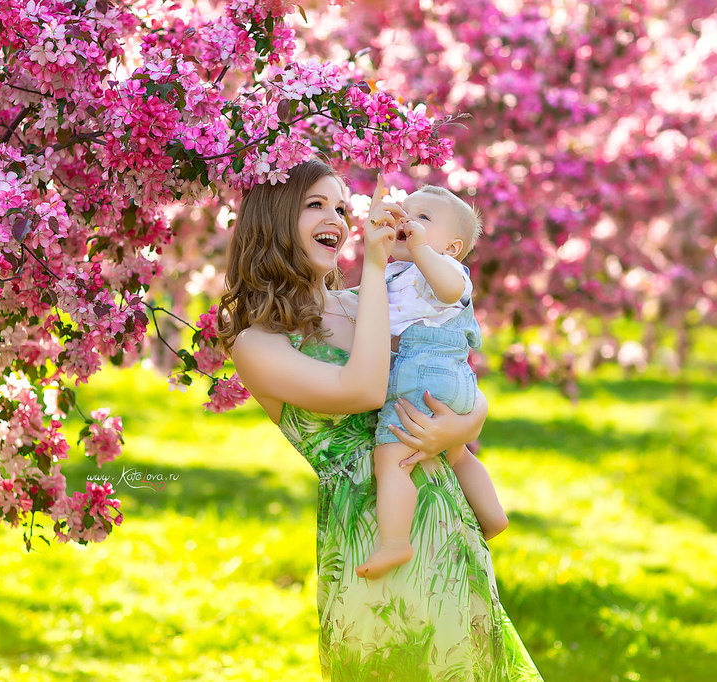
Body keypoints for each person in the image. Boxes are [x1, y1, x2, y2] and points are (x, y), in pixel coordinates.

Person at [218, 159, 543, 681]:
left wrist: (463, 426)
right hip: (369, 537)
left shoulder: (369, 303)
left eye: (343, 207)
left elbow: (451, 372)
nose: (339, 217)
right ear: (275, 218)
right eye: (316, 205)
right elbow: (364, 390)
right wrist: (372, 268)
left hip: (443, 517)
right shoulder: (258, 343)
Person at [356, 184, 509, 581]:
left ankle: (394, 543)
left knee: (390, 461)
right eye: (406, 213)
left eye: (423, 218)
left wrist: (423, 251)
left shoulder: (445, 268)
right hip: (451, 381)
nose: (408, 221)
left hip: (425, 371)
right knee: (458, 455)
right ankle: (493, 517)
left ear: (453, 247)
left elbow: (450, 289)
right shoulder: (396, 273)